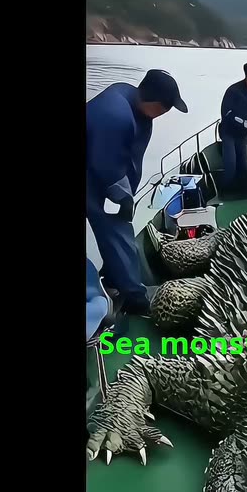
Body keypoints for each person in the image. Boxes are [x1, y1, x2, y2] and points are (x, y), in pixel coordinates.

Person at [86, 69, 187, 314]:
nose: (165, 114)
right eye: (166, 108)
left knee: (117, 234)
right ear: (155, 103)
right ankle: (135, 298)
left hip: (104, 175)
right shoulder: (115, 115)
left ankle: (112, 279)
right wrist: (121, 197)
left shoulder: (137, 106)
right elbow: (105, 164)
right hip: (97, 179)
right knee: (118, 233)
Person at [219, 62, 247, 197]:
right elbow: (226, 112)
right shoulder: (233, 91)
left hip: (242, 135)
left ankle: (242, 192)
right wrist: (241, 121)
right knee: (231, 164)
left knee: (245, 167)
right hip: (229, 133)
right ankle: (225, 193)